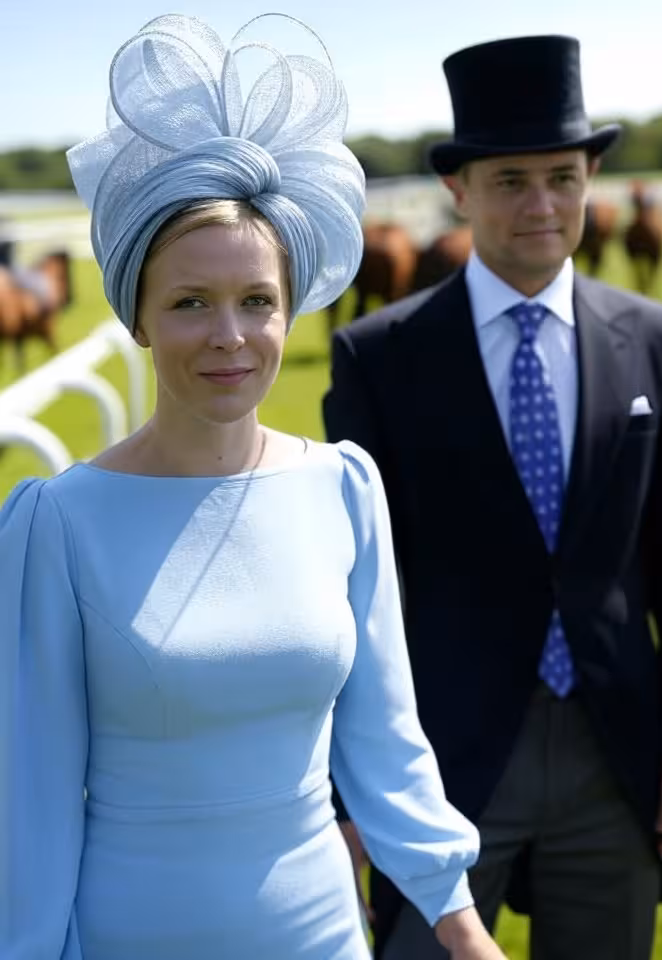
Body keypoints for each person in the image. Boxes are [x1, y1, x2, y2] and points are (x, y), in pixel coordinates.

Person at [0, 14, 510, 960]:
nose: (230, 337)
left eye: (257, 301)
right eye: (191, 303)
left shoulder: (345, 486)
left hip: (323, 936)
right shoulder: (55, 522)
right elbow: (26, 806)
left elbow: (388, 746)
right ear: (139, 319)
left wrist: (463, 924)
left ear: (289, 307)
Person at [323, 33, 662, 960]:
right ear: (459, 191)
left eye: (563, 177)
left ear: (591, 182)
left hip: (614, 755)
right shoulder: (380, 356)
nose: (541, 205)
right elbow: (349, 587)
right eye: (510, 181)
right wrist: (344, 792)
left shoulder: (653, 334)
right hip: (438, 760)